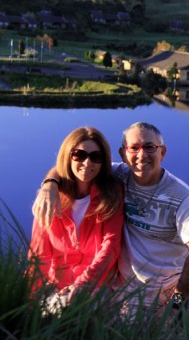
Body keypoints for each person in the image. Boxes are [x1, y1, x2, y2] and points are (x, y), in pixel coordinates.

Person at [33, 122, 189, 326]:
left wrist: (176, 304)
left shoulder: (180, 195)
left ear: (163, 152)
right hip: (132, 290)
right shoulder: (118, 176)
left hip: (176, 286)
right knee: (141, 336)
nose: (141, 155)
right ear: (123, 153)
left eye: (150, 147)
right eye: (134, 148)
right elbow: (73, 163)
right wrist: (50, 184)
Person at [28, 127, 124, 308]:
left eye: (96, 157)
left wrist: (82, 285)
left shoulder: (113, 193)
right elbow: (39, 255)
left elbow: (110, 248)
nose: (87, 163)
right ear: (68, 156)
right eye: (79, 155)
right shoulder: (50, 197)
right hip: (56, 287)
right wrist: (30, 297)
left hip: (97, 286)